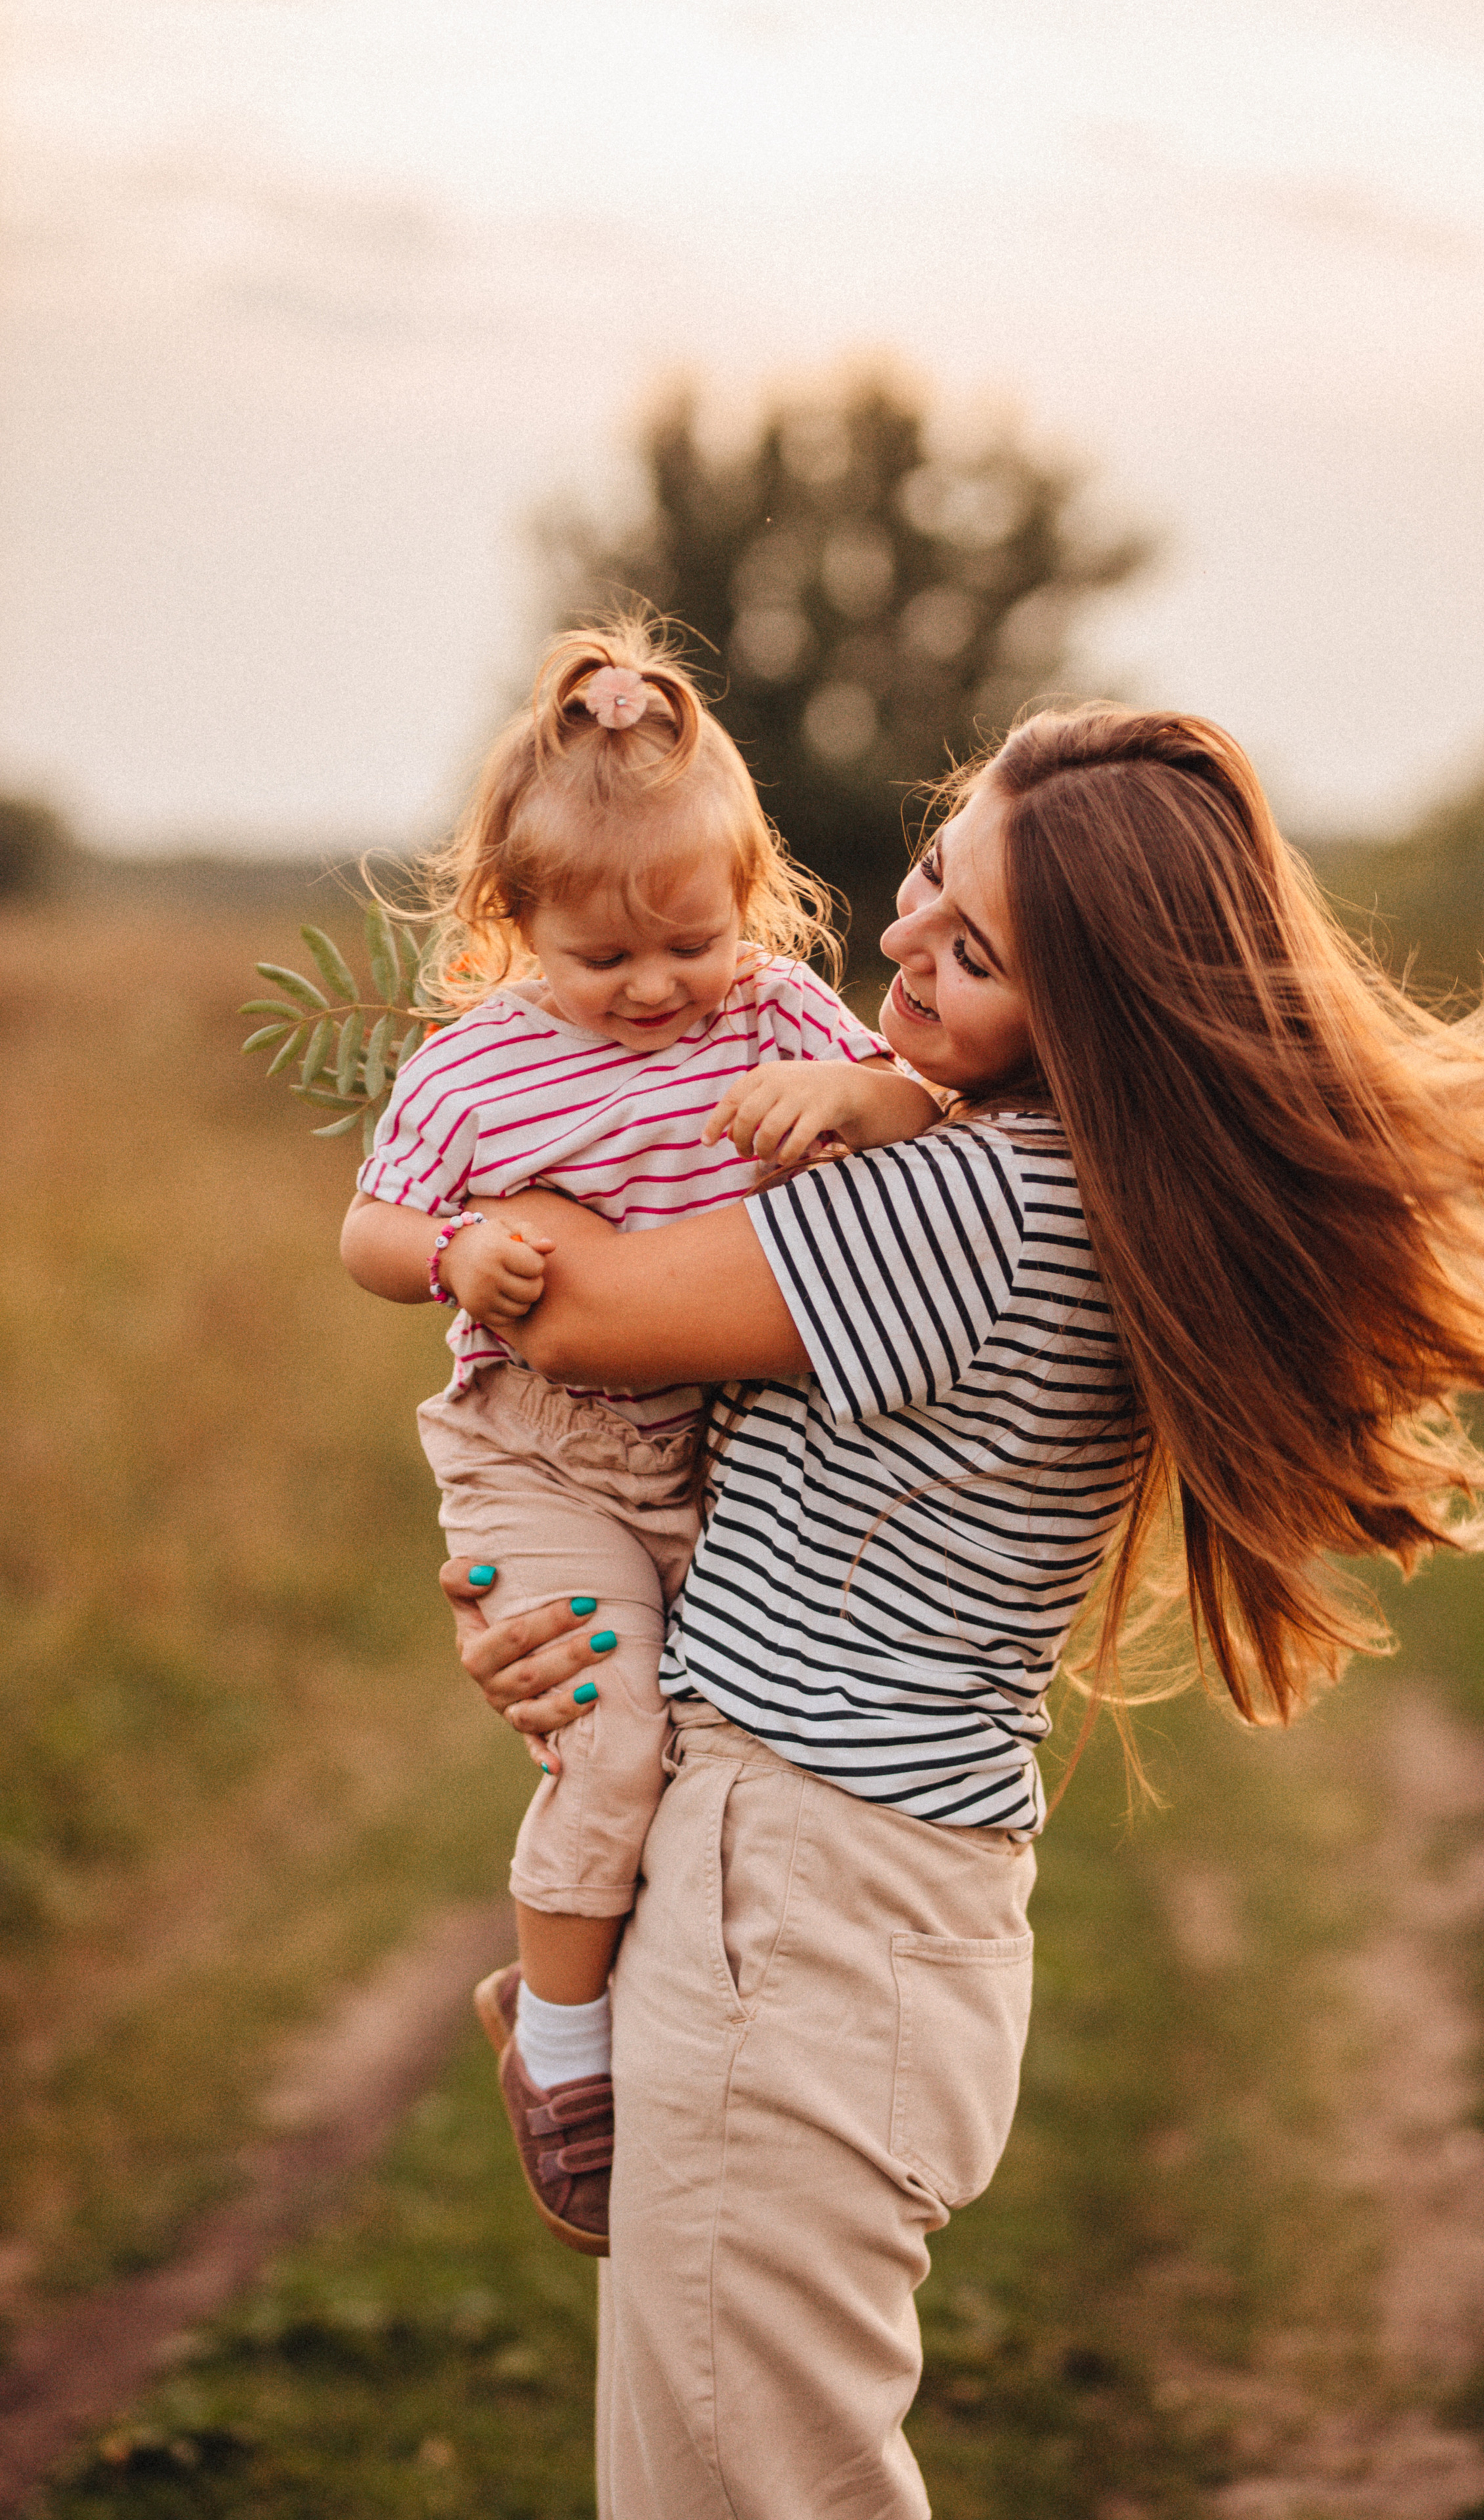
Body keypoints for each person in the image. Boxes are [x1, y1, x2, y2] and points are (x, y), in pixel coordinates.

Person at [443, 704, 1484, 2519]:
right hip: (853, 1892)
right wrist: (560, 1616)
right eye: (931, 875)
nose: (901, 938)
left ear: (1093, 1022)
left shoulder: (977, 1208)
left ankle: (568, 2036)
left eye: (976, 949)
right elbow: (726, 1487)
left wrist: (500, 1116)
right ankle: (577, 2037)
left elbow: (581, 1315)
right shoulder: (1048, 1179)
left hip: (803, 1902)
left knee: (751, 2492)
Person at [339, 621, 939, 2253]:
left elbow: (920, 1106)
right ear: (511, 924)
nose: (660, 987)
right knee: (608, 1743)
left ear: (746, 896)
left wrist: (860, 1105)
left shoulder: (775, 1017)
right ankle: (564, 2046)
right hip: (530, 1448)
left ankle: (603, 2005)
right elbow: (370, 1237)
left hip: (697, 1453)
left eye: (697, 938)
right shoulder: (475, 1071)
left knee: (699, 1755)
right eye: (606, 963)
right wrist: (455, 1252)